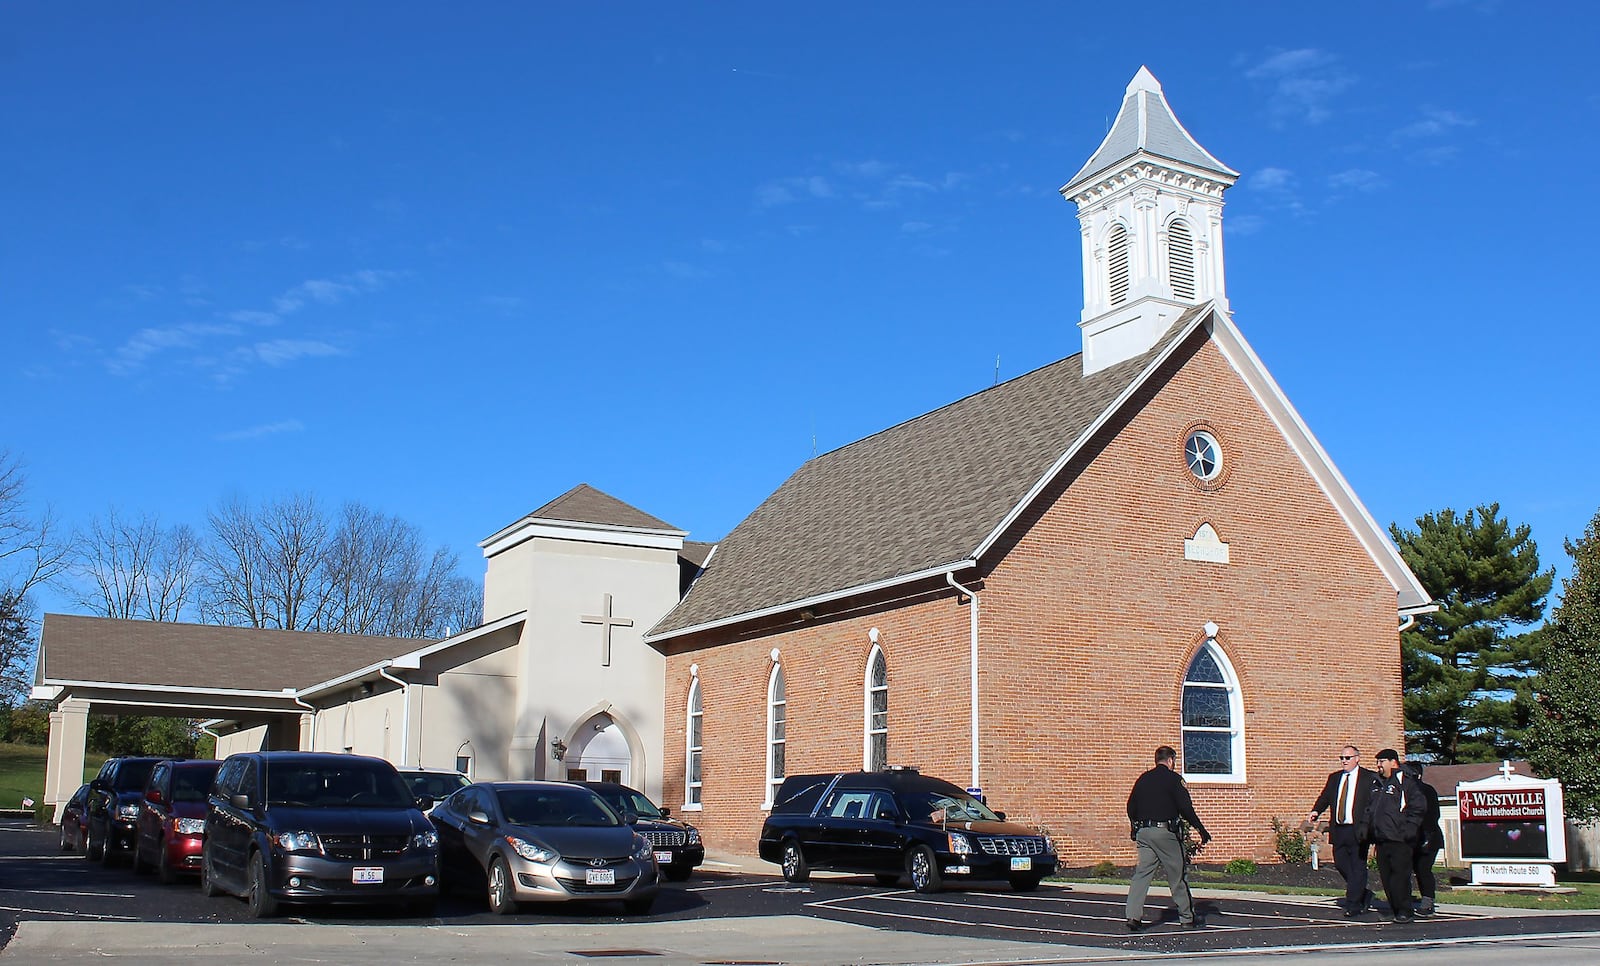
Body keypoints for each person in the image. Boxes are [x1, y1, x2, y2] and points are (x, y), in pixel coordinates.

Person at [1125, 745, 1210, 931]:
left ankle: (1133, 916)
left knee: (1142, 874)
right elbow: (1186, 808)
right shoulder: (1174, 779)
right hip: (1165, 833)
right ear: (1170, 760)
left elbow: (1131, 806)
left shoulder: (1143, 779)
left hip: (1144, 833)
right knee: (1177, 875)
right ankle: (1187, 917)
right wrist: (1201, 829)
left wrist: (1134, 827)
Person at [1307, 744, 1380, 917]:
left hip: (1358, 829)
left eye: (1347, 758)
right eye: (1342, 758)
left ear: (1357, 758)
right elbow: (1325, 797)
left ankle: (1353, 903)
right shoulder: (1335, 778)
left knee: (1358, 865)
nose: (1344, 761)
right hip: (1339, 828)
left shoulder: (1368, 777)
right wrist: (1316, 810)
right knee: (1341, 863)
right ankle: (1363, 893)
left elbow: (1374, 802)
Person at [1364, 748, 1426, 923]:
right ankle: (1393, 908)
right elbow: (1370, 809)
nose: (1378, 765)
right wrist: (1367, 830)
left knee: (1400, 876)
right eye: (1377, 762)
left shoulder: (1405, 782)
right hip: (1382, 839)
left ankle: (1404, 910)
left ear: (1393, 762)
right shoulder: (1377, 784)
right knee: (1387, 877)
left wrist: (1409, 829)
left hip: (1400, 839)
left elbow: (1418, 807)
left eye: (1382, 761)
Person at [1401, 756, 1443, 917]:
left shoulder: (1425, 790)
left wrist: (1423, 835)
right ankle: (1405, 900)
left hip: (1428, 837)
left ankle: (1427, 900)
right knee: (1406, 869)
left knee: (1423, 869)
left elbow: (1432, 815)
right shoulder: (1402, 791)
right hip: (1410, 837)